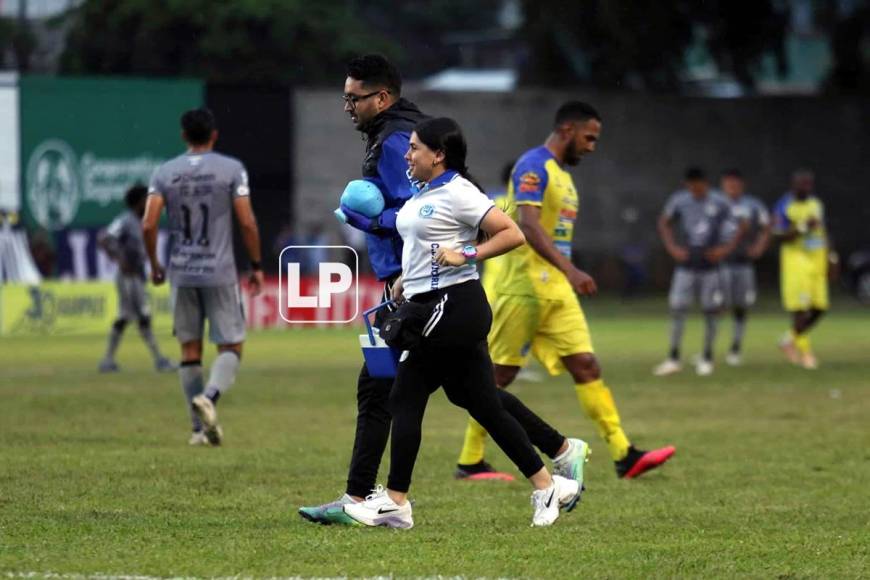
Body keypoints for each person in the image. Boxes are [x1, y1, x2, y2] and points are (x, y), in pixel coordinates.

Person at [300, 54, 591, 525]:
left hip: (421, 298)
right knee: (473, 395)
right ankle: (555, 460)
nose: (347, 106)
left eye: (354, 98)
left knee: (385, 389)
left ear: (382, 97)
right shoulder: (400, 138)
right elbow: (415, 213)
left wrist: (384, 237)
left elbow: (423, 215)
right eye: (344, 97)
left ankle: (372, 500)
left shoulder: (400, 143)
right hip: (415, 292)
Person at [456, 102, 675, 481]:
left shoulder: (563, 175)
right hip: (524, 288)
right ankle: (470, 461)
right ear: (568, 130)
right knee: (499, 378)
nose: (592, 146)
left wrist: (566, 274)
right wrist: (571, 269)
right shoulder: (532, 166)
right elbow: (528, 226)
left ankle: (624, 453)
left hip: (557, 291)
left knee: (587, 365)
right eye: (589, 137)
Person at [142, 108, 264, 446]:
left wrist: (154, 263)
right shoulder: (231, 169)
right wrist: (255, 265)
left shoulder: (165, 172)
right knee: (232, 344)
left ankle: (198, 431)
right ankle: (209, 397)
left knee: (189, 350)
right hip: (219, 270)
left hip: (181, 271)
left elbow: (149, 223)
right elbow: (248, 222)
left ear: (183, 136)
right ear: (214, 135)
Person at [655, 167, 745, 377]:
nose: (695, 190)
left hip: (711, 267)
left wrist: (724, 250)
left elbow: (740, 226)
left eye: (698, 186)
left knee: (710, 310)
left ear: (705, 184)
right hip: (686, 266)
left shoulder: (719, 202)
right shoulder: (680, 200)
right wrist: (673, 248)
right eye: (691, 186)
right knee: (677, 308)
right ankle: (673, 357)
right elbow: (664, 222)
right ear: (687, 185)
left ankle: (707, 356)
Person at [97, 184, 174, 373]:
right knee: (142, 316)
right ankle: (159, 359)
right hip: (128, 277)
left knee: (126, 317)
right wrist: (119, 259)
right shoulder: (126, 220)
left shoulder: (140, 221)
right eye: (145, 200)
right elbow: (104, 237)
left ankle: (108, 360)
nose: (148, 203)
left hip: (136, 275)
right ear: (138, 202)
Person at [772, 169, 831, 369]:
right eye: (801, 184)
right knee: (801, 310)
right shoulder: (784, 205)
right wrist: (804, 227)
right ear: (793, 185)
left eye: (808, 184)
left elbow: (823, 231)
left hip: (818, 261)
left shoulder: (816, 204)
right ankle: (805, 353)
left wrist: (832, 257)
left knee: (820, 307)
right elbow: (780, 236)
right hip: (797, 262)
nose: (805, 188)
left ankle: (789, 339)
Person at [717, 169, 771, 366]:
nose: (731, 189)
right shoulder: (715, 203)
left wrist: (759, 247)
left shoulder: (752, 204)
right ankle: (708, 349)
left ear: (742, 185)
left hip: (744, 264)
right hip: (721, 264)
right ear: (723, 185)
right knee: (717, 305)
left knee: (741, 306)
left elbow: (767, 226)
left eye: (735, 185)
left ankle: (735, 347)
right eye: (728, 185)